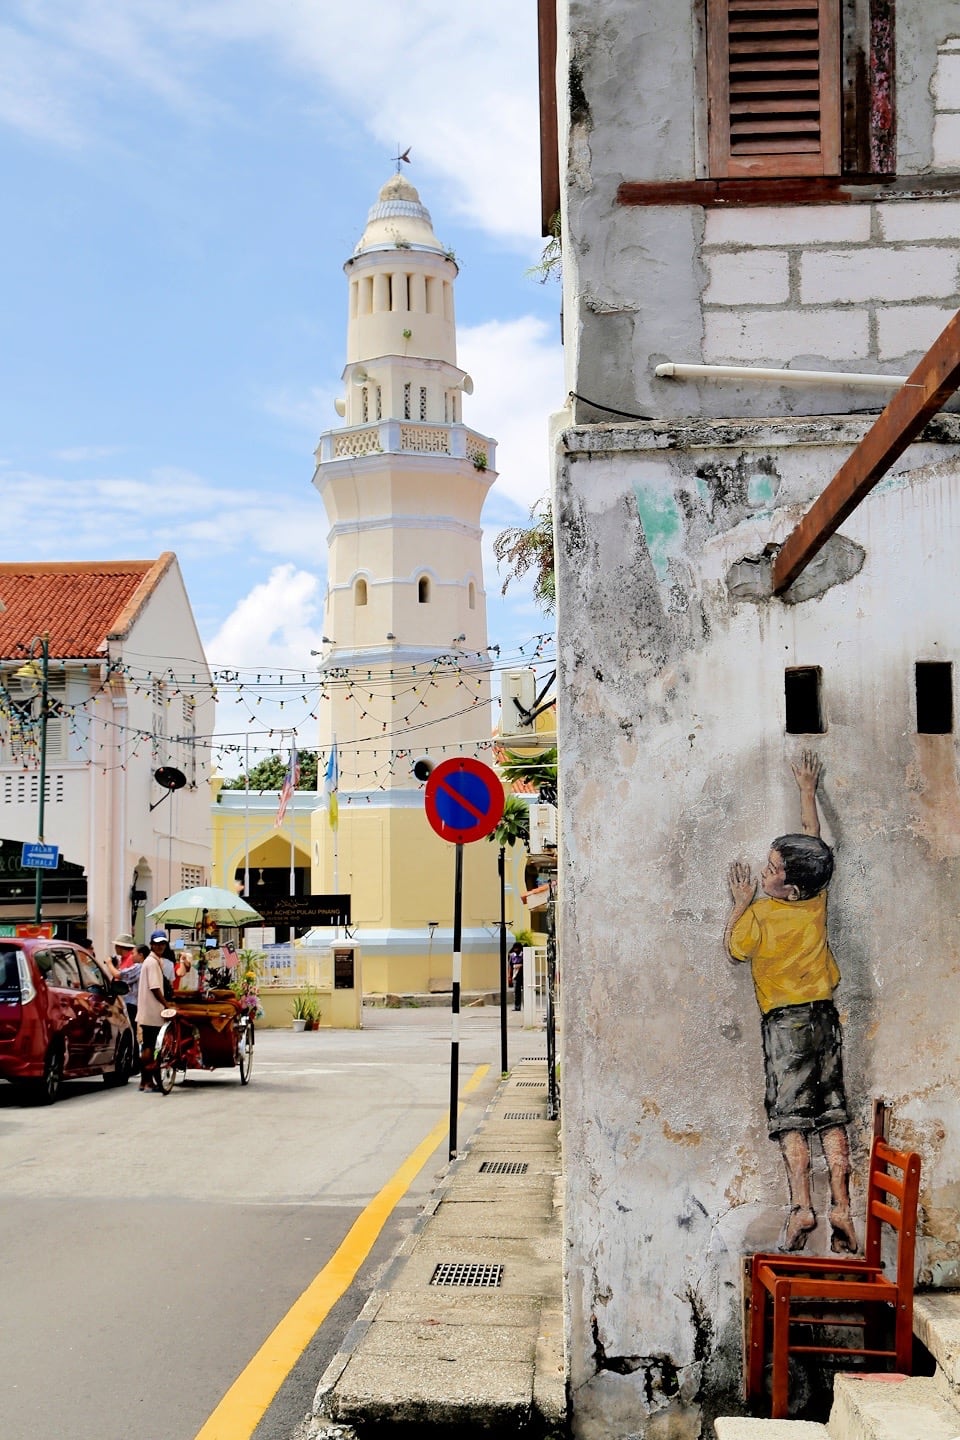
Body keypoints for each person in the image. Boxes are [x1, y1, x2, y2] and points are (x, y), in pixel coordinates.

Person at [724, 750, 857, 1256]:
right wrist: (807, 788)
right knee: (833, 1112)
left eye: (773, 867)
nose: (765, 868)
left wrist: (738, 904)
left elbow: (736, 951)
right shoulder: (817, 898)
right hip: (824, 1017)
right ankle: (842, 1206)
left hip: (784, 1025)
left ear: (791, 887)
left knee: (791, 1117)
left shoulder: (757, 913)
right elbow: (816, 842)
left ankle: (802, 1204)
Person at [136, 936, 168, 1092]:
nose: (160, 946)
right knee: (150, 1046)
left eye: (162, 944)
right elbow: (155, 988)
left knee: (147, 1046)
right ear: (151, 945)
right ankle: (148, 1081)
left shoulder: (151, 962)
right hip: (153, 1012)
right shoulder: (152, 963)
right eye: (157, 944)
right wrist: (166, 1004)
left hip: (147, 1011)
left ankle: (144, 1081)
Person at [508, 941, 524, 1012]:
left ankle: (527, 1006)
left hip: (523, 975)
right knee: (516, 992)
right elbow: (510, 966)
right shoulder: (512, 956)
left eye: (517, 948)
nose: (516, 950)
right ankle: (517, 1007)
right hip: (515, 975)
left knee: (525, 992)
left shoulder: (524, 955)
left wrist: (520, 966)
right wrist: (509, 976)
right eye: (515, 948)